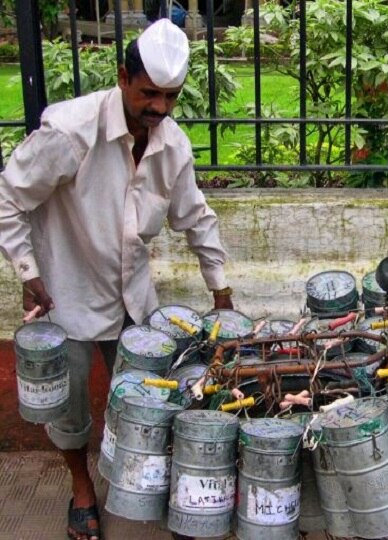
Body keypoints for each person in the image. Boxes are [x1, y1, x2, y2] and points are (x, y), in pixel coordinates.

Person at [0, 19, 232, 540]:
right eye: (149, 93)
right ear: (123, 77)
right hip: (68, 299)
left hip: (135, 304)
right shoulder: (70, 131)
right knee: (69, 409)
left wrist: (222, 293)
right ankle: (82, 488)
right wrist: (28, 272)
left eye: (170, 96)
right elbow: (9, 198)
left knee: (157, 400)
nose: (160, 108)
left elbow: (196, 218)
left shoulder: (172, 146)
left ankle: (154, 492)